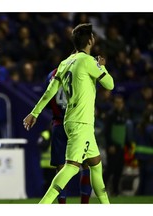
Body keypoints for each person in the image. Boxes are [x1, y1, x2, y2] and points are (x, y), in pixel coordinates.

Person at [23, 23, 114, 204]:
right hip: (81, 122)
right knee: (71, 167)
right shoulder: (88, 61)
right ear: (90, 40)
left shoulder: (64, 63)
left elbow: (49, 92)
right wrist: (101, 67)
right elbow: (110, 85)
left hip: (71, 120)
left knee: (96, 165)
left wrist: (34, 113)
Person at [38, 69, 92, 204]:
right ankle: (84, 205)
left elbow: (46, 97)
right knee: (86, 165)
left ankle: (62, 206)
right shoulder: (80, 69)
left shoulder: (51, 75)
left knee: (61, 168)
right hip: (77, 123)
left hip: (59, 124)